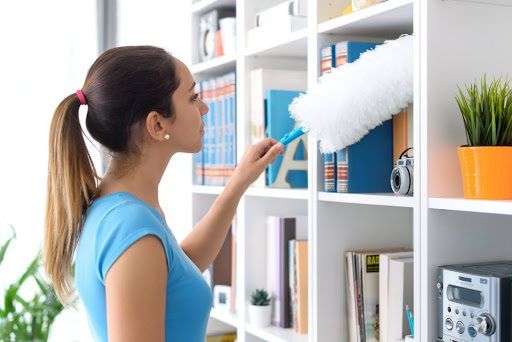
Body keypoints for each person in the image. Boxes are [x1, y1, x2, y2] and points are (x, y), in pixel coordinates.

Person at [44, 45, 284, 342]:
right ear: (157, 124)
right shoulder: (129, 226)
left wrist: (238, 182)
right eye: (193, 97)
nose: (204, 108)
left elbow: (179, 270)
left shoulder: (117, 209)